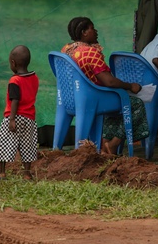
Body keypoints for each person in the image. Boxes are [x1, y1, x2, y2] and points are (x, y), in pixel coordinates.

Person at [62, 16, 150, 154]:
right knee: (136, 104)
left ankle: (104, 144)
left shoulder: (67, 50)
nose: (96, 31)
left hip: (72, 97)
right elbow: (109, 81)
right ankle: (113, 144)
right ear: (84, 32)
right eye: (92, 28)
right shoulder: (89, 52)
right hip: (93, 99)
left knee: (114, 103)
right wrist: (130, 86)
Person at [0, 45, 39, 180]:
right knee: (27, 146)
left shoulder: (14, 80)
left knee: (5, 143)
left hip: (14, 117)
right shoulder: (34, 77)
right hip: (29, 118)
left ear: (13, 63)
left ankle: (0, 171)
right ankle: (27, 174)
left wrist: (11, 119)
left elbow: (15, 100)